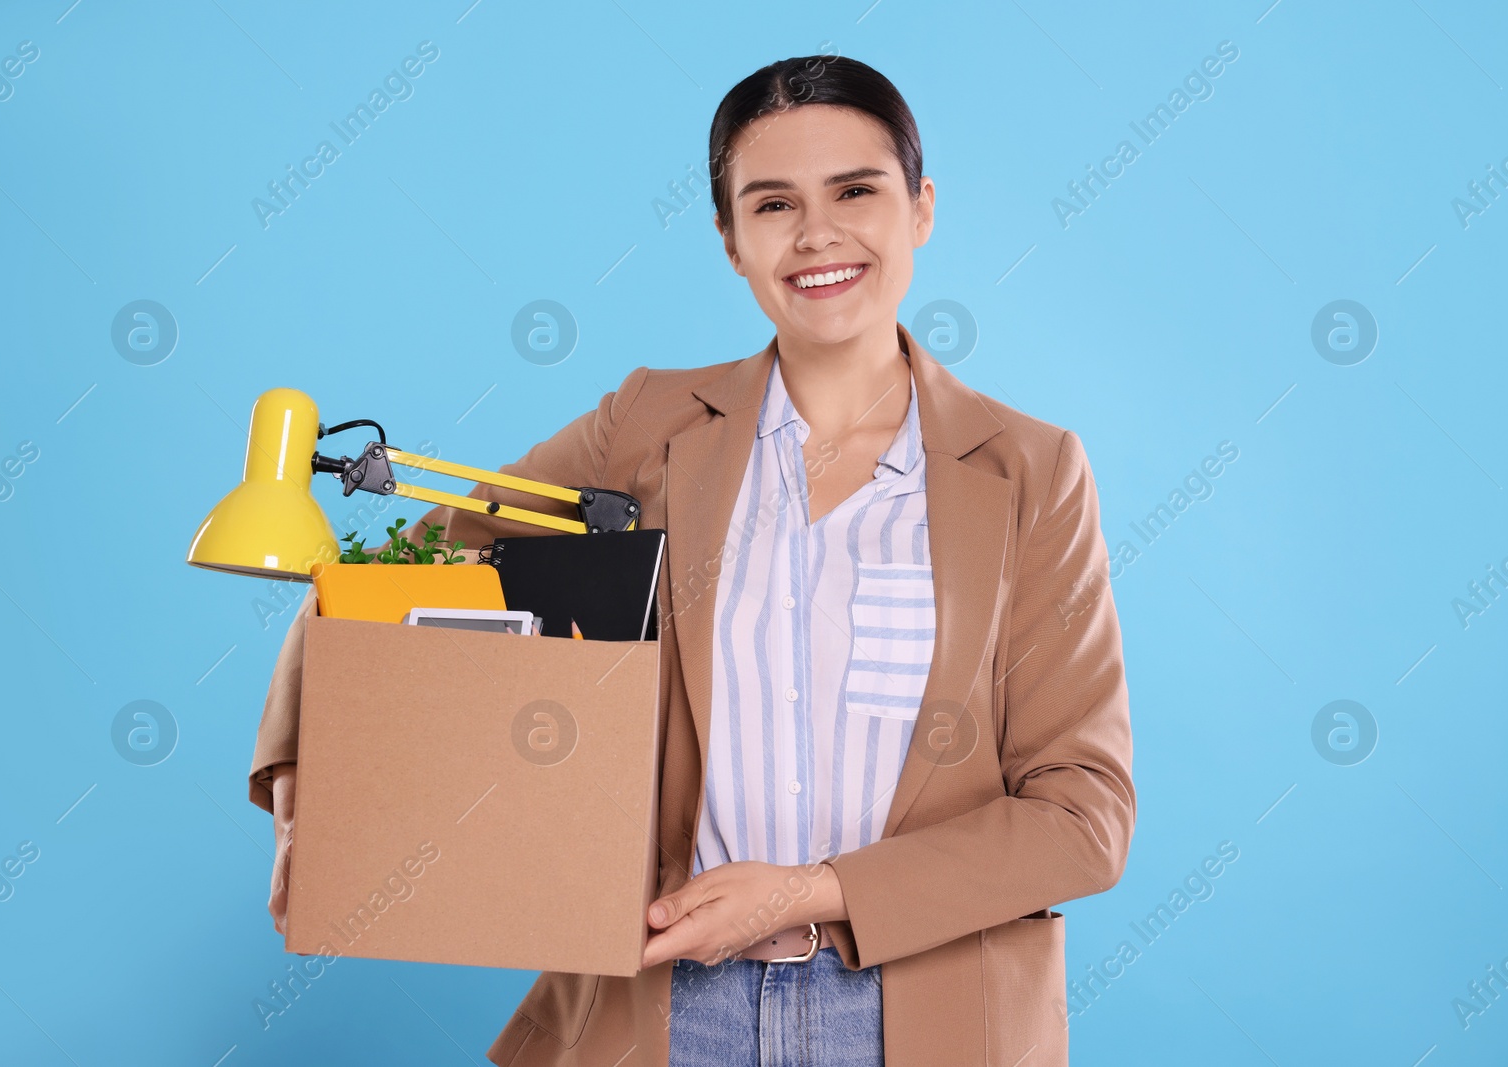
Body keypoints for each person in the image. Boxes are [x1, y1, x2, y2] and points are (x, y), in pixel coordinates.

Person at [248, 54, 1134, 1066]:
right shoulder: (649, 428)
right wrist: (299, 772)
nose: (817, 235)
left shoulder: (1030, 472)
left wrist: (808, 889)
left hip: (926, 1012)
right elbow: (417, 555)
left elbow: (1082, 816)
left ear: (921, 208)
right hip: (663, 1007)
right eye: (772, 204)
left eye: (856, 190)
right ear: (729, 240)